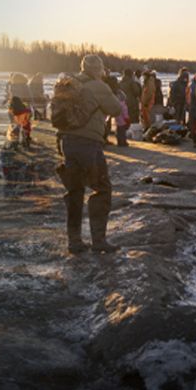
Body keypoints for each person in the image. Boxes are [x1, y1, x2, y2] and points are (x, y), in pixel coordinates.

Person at [56, 55, 125, 254]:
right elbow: (115, 109)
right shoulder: (98, 86)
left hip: (67, 142)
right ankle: (99, 240)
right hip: (88, 143)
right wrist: (110, 92)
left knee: (75, 190)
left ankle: (74, 241)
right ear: (98, 69)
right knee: (102, 188)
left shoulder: (69, 83)